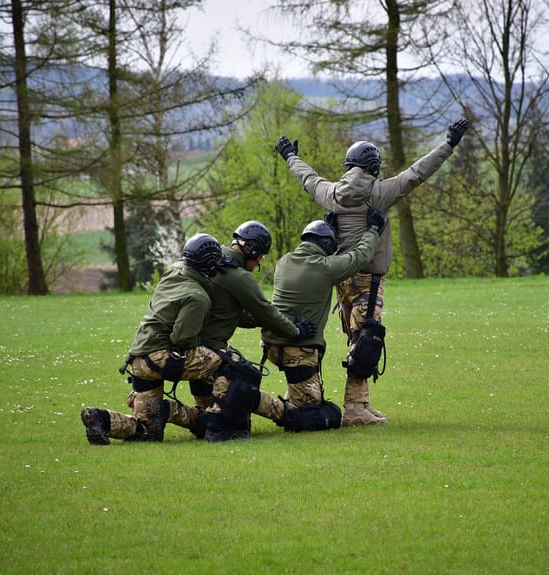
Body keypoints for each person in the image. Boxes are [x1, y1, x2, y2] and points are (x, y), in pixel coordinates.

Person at [275, 117, 470, 425]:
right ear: (373, 167)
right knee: (366, 341)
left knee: (358, 340)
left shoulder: (330, 193)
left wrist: (289, 155)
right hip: (369, 279)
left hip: (341, 279)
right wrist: (449, 144)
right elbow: (417, 173)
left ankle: (360, 403)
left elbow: (308, 178)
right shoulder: (379, 193)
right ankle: (354, 409)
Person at [159, 220, 318, 441]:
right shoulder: (239, 277)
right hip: (210, 348)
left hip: (183, 343)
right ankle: (239, 423)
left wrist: (266, 322)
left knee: (207, 409)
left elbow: (233, 313)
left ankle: (203, 418)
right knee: (245, 374)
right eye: (260, 256)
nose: (260, 262)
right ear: (251, 249)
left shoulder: (211, 261)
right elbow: (265, 312)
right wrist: (295, 331)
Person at [80, 232, 227, 445]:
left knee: (148, 431)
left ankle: (102, 419)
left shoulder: (174, 271)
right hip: (161, 358)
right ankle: (214, 418)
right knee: (220, 358)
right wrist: (204, 346)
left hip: (138, 359)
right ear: (211, 264)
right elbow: (183, 338)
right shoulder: (198, 297)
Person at [260, 211, 383, 430]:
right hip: (297, 351)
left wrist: (328, 232)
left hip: (270, 345)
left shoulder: (284, 262)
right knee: (318, 416)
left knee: (313, 400)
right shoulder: (326, 267)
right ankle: (255, 401)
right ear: (326, 244)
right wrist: (373, 230)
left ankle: (295, 393)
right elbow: (360, 256)